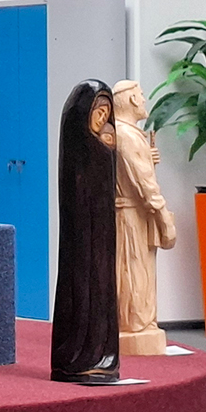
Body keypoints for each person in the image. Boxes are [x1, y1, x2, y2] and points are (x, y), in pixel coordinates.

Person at [52, 79, 121, 384]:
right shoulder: (78, 149)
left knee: (103, 288)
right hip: (82, 236)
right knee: (81, 289)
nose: (102, 119)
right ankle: (77, 357)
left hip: (103, 235)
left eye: (106, 113)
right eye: (97, 112)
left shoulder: (104, 144)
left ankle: (104, 355)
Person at [113, 80, 178, 354]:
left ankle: (141, 323)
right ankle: (135, 324)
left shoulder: (127, 134)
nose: (143, 101)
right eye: (140, 95)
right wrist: (162, 212)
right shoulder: (126, 135)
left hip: (137, 213)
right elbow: (143, 181)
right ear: (130, 100)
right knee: (134, 270)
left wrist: (147, 158)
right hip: (132, 215)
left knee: (141, 269)